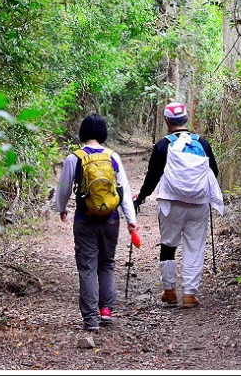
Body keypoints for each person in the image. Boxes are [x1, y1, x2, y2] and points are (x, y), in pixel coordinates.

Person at [134, 101, 223, 308]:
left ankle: (169, 291)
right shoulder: (202, 142)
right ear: (186, 119)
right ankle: (190, 294)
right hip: (198, 203)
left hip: (170, 202)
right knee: (194, 246)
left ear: (166, 121)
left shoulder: (163, 145)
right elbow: (214, 172)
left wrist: (142, 197)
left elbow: (153, 176)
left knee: (168, 244)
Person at [55, 113, 137, 332]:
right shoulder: (113, 157)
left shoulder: (75, 158)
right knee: (107, 263)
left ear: (83, 132)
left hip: (85, 219)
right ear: (103, 133)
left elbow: (63, 188)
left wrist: (61, 208)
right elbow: (124, 190)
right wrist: (131, 220)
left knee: (87, 267)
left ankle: (91, 319)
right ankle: (106, 310)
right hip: (111, 219)